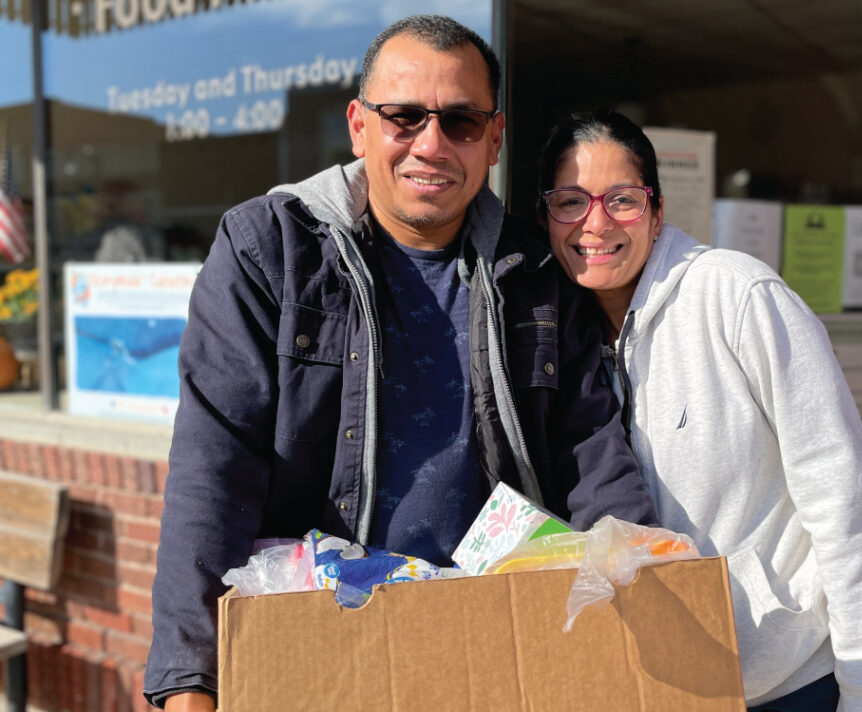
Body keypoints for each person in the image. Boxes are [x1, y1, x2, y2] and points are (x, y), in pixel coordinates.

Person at [144, 19, 657, 711]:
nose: (431, 144)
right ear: (359, 126)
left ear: (494, 139)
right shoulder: (272, 248)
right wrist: (190, 679)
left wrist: (642, 584)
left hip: (492, 643)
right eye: (405, 117)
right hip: (317, 643)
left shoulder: (535, 269)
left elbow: (589, 447)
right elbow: (215, 464)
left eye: (461, 121)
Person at [537, 108, 862, 711]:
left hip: (787, 681)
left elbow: (847, 506)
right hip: (663, 684)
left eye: (622, 200)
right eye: (571, 201)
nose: (595, 224)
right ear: (547, 216)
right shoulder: (560, 339)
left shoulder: (738, 297)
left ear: (656, 212)